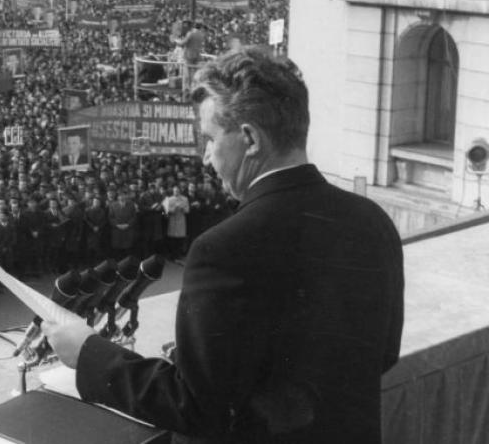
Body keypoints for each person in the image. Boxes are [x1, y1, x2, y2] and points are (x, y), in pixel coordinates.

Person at [43, 48, 404, 443]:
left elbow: (196, 407)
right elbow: (381, 355)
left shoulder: (223, 249)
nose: (205, 157)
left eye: (211, 139)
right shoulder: (373, 221)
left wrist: (89, 355)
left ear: (249, 138)